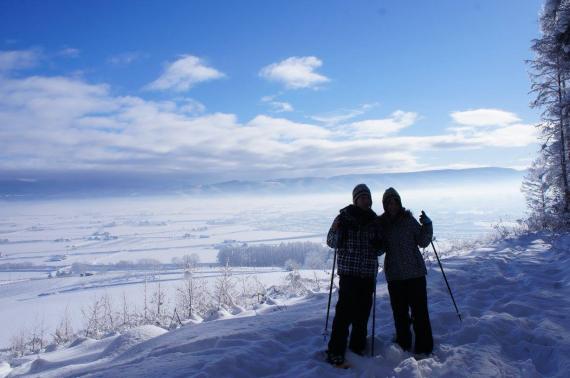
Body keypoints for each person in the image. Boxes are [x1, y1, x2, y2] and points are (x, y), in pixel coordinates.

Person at [325, 184, 383, 366]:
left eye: (368, 198)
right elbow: (331, 242)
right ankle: (335, 350)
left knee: (362, 314)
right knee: (344, 314)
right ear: (356, 200)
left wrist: (377, 243)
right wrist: (335, 230)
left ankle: (357, 346)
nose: (366, 201)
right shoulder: (343, 218)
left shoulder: (375, 221)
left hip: (367, 274)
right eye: (362, 197)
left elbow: (380, 249)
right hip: (349, 274)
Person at [378, 187, 434, 356]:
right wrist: (375, 241)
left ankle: (424, 346)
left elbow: (423, 241)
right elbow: (379, 250)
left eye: (395, 202)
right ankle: (404, 344)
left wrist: (428, 225)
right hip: (395, 276)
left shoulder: (408, 220)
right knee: (400, 314)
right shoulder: (382, 224)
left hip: (415, 274)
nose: (392, 205)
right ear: (385, 205)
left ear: (399, 203)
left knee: (420, 312)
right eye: (389, 203)